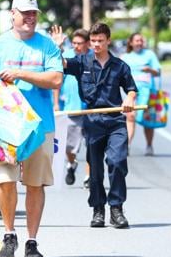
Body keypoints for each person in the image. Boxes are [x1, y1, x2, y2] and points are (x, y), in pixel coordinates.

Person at [0, 0, 63, 257]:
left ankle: (32, 242)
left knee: (35, 184)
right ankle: (9, 234)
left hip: (39, 127)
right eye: (24, 13)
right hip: (6, 128)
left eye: (33, 13)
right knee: (5, 181)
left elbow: (56, 79)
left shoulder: (47, 46)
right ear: (12, 14)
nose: (30, 18)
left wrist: (22, 74)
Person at [63, 22, 137, 229]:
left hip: (115, 121)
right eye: (93, 41)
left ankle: (116, 209)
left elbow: (131, 89)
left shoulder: (120, 66)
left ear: (108, 41)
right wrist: (57, 47)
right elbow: (60, 64)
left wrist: (129, 98)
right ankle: (98, 210)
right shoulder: (81, 62)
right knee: (95, 170)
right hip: (93, 120)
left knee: (117, 161)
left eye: (100, 41)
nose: (96, 44)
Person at [51, 26, 90, 186]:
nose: (76, 46)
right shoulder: (67, 57)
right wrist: (55, 103)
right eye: (74, 43)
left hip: (92, 110)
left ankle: (89, 177)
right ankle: (71, 163)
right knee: (70, 146)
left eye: (79, 43)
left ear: (88, 44)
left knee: (92, 146)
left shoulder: (94, 58)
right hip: (71, 108)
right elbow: (56, 82)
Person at [121, 32, 161, 155]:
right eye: (136, 40)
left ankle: (149, 145)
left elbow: (157, 72)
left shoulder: (149, 55)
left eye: (141, 40)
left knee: (147, 120)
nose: (139, 43)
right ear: (131, 43)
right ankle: (127, 145)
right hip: (131, 93)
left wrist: (149, 70)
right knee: (130, 116)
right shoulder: (125, 57)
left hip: (148, 92)